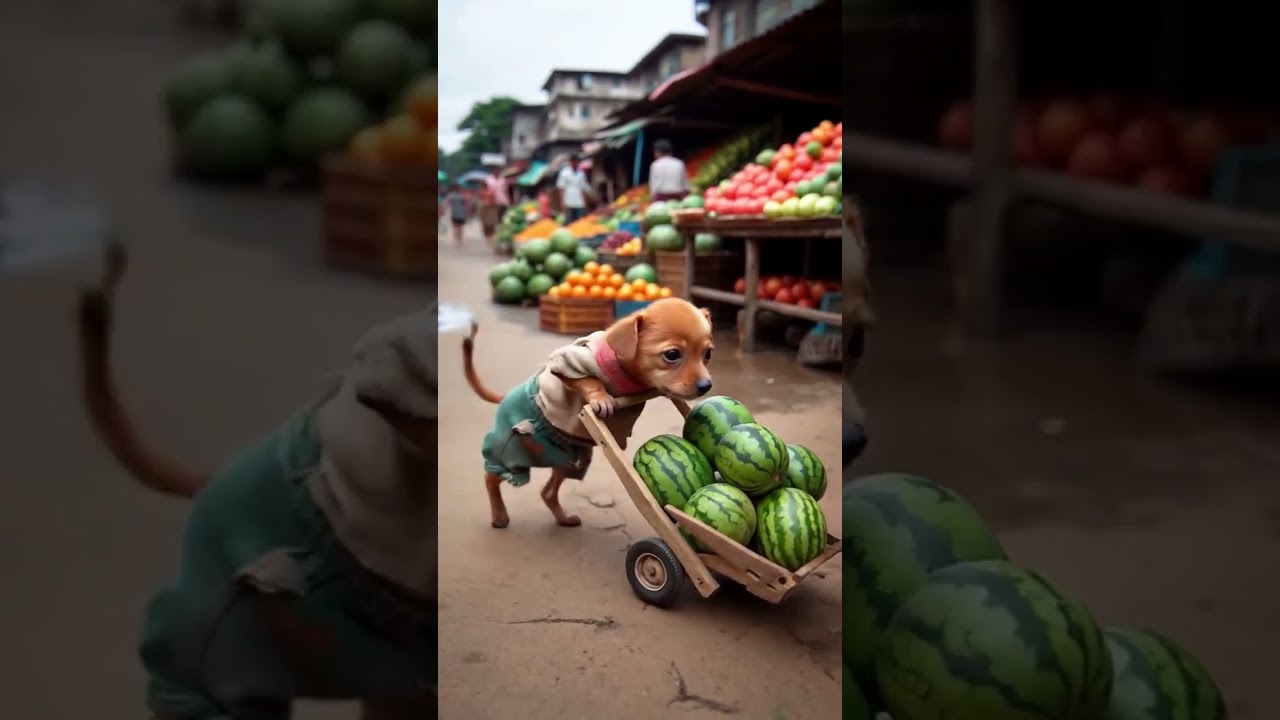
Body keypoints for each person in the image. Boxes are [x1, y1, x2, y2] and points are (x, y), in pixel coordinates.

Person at [479, 167, 510, 250]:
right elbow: (483, 193)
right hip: (489, 204)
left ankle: (497, 238)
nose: (497, 172)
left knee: (499, 221)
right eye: (495, 171)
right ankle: (489, 237)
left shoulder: (503, 180)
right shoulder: (489, 180)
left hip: (502, 202)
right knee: (488, 222)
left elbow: (506, 191)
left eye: (498, 171)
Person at [555, 155, 592, 223]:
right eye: (573, 162)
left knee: (579, 223)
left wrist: (585, 204)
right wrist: (562, 202)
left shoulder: (581, 174)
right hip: (568, 202)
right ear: (571, 162)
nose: (575, 163)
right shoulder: (564, 173)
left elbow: (583, 189)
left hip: (579, 203)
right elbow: (561, 188)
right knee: (570, 223)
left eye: (576, 162)